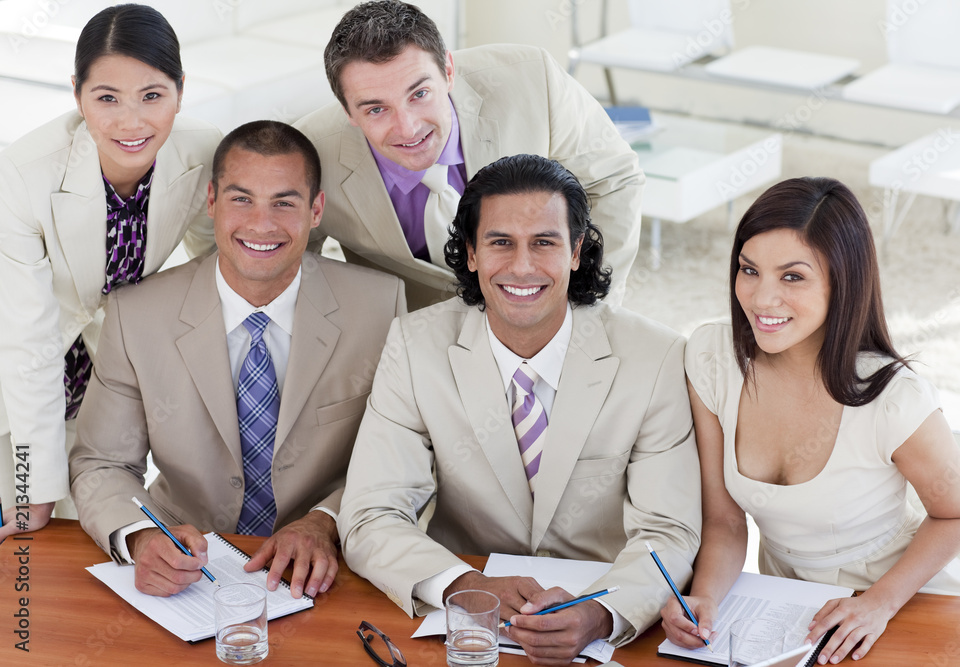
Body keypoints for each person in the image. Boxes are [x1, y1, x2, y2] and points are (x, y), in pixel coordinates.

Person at [338, 154, 700, 664]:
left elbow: (669, 530)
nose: (523, 267)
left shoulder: (656, 357)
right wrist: (465, 585)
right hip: (467, 630)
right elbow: (371, 514)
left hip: (603, 626)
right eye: (500, 242)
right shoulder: (414, 346)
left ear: (576, 252)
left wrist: (601, 614)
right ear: (469, 253)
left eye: (544, 243)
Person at [69, 120, 405, 599]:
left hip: (329, 568)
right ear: (211, 202)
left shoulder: (380, 307)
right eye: (241, 198)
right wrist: (142, 537)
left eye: (284, 202)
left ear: (316, 211)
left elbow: (404, 460)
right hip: (186, 568)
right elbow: (102, 462)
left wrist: (324, 521)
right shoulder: (136, 313)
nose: (261, 224)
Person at [660, 177, 960, 665]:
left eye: (792, 277)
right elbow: (726, 521)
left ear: (843, 281)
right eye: (749, 270)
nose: (761, 299)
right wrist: (705, 596)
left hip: (903, 600)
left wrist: (879, 603)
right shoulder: (712, 359)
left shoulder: (891, 395)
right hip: (788, 606)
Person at [0, 4, 222, 539]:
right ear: (77, 93)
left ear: (180, 89)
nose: (131, 122)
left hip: (102, 386)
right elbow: (27, 344)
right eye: (107, 98)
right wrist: (37, 488)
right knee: (22, 550)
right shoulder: (22, 177)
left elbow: (214, 268)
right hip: (16, 385)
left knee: (91, 555)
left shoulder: (201, 154)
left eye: (152, 96)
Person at [294, 0, 642, 310]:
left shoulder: (533, 78)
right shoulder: (310, 153)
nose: (408, 128)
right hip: (412, 333)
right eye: (375, 110)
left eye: (419, 94)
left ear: (448, 71)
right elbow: (289, 257)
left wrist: (587, 305)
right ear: (347, 112)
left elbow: (612, 180)